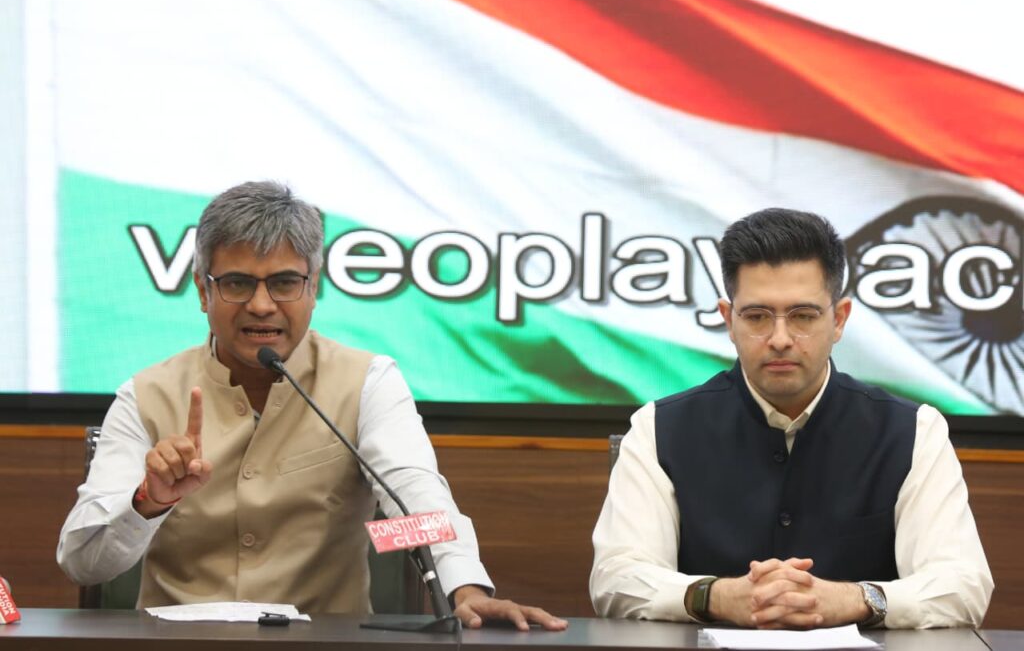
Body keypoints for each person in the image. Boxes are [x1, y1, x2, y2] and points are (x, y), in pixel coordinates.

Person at [58, 181, 567, 631]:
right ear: (202, 291)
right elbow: (83, 564)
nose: (262, 305)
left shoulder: (367, 382)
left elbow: (415, 498)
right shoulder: (145, 395)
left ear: (314, 287)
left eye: (284, 282)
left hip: (325, 643)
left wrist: (466, 591)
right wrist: (148, 501)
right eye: (237, 283)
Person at [590, 208, 993, 629]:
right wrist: (716, 596)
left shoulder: (913, 431)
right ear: (729, 320)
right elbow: (615, 579)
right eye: (757, 317)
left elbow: (962, 586)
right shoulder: (659, 428)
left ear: (839, 320)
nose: (780, 339)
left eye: (803, 316)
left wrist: (855, 599)